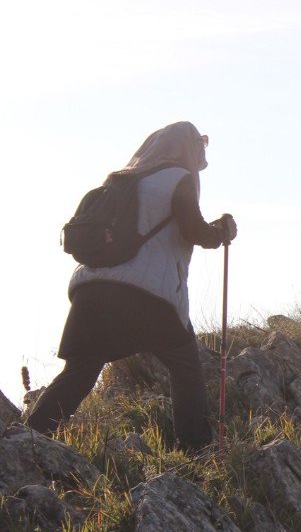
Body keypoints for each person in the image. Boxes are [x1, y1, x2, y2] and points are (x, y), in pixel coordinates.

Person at [27, 122, 237, 452]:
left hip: (91, 291)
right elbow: (193, 230)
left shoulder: (118, 179)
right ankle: (196, 449)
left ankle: (27, 441)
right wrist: (221, 232)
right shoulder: (178, 178)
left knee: (79, 373)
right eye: (200, 144)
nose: (202, 152)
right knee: (185, 367)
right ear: (186, 147)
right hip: (146, 295)